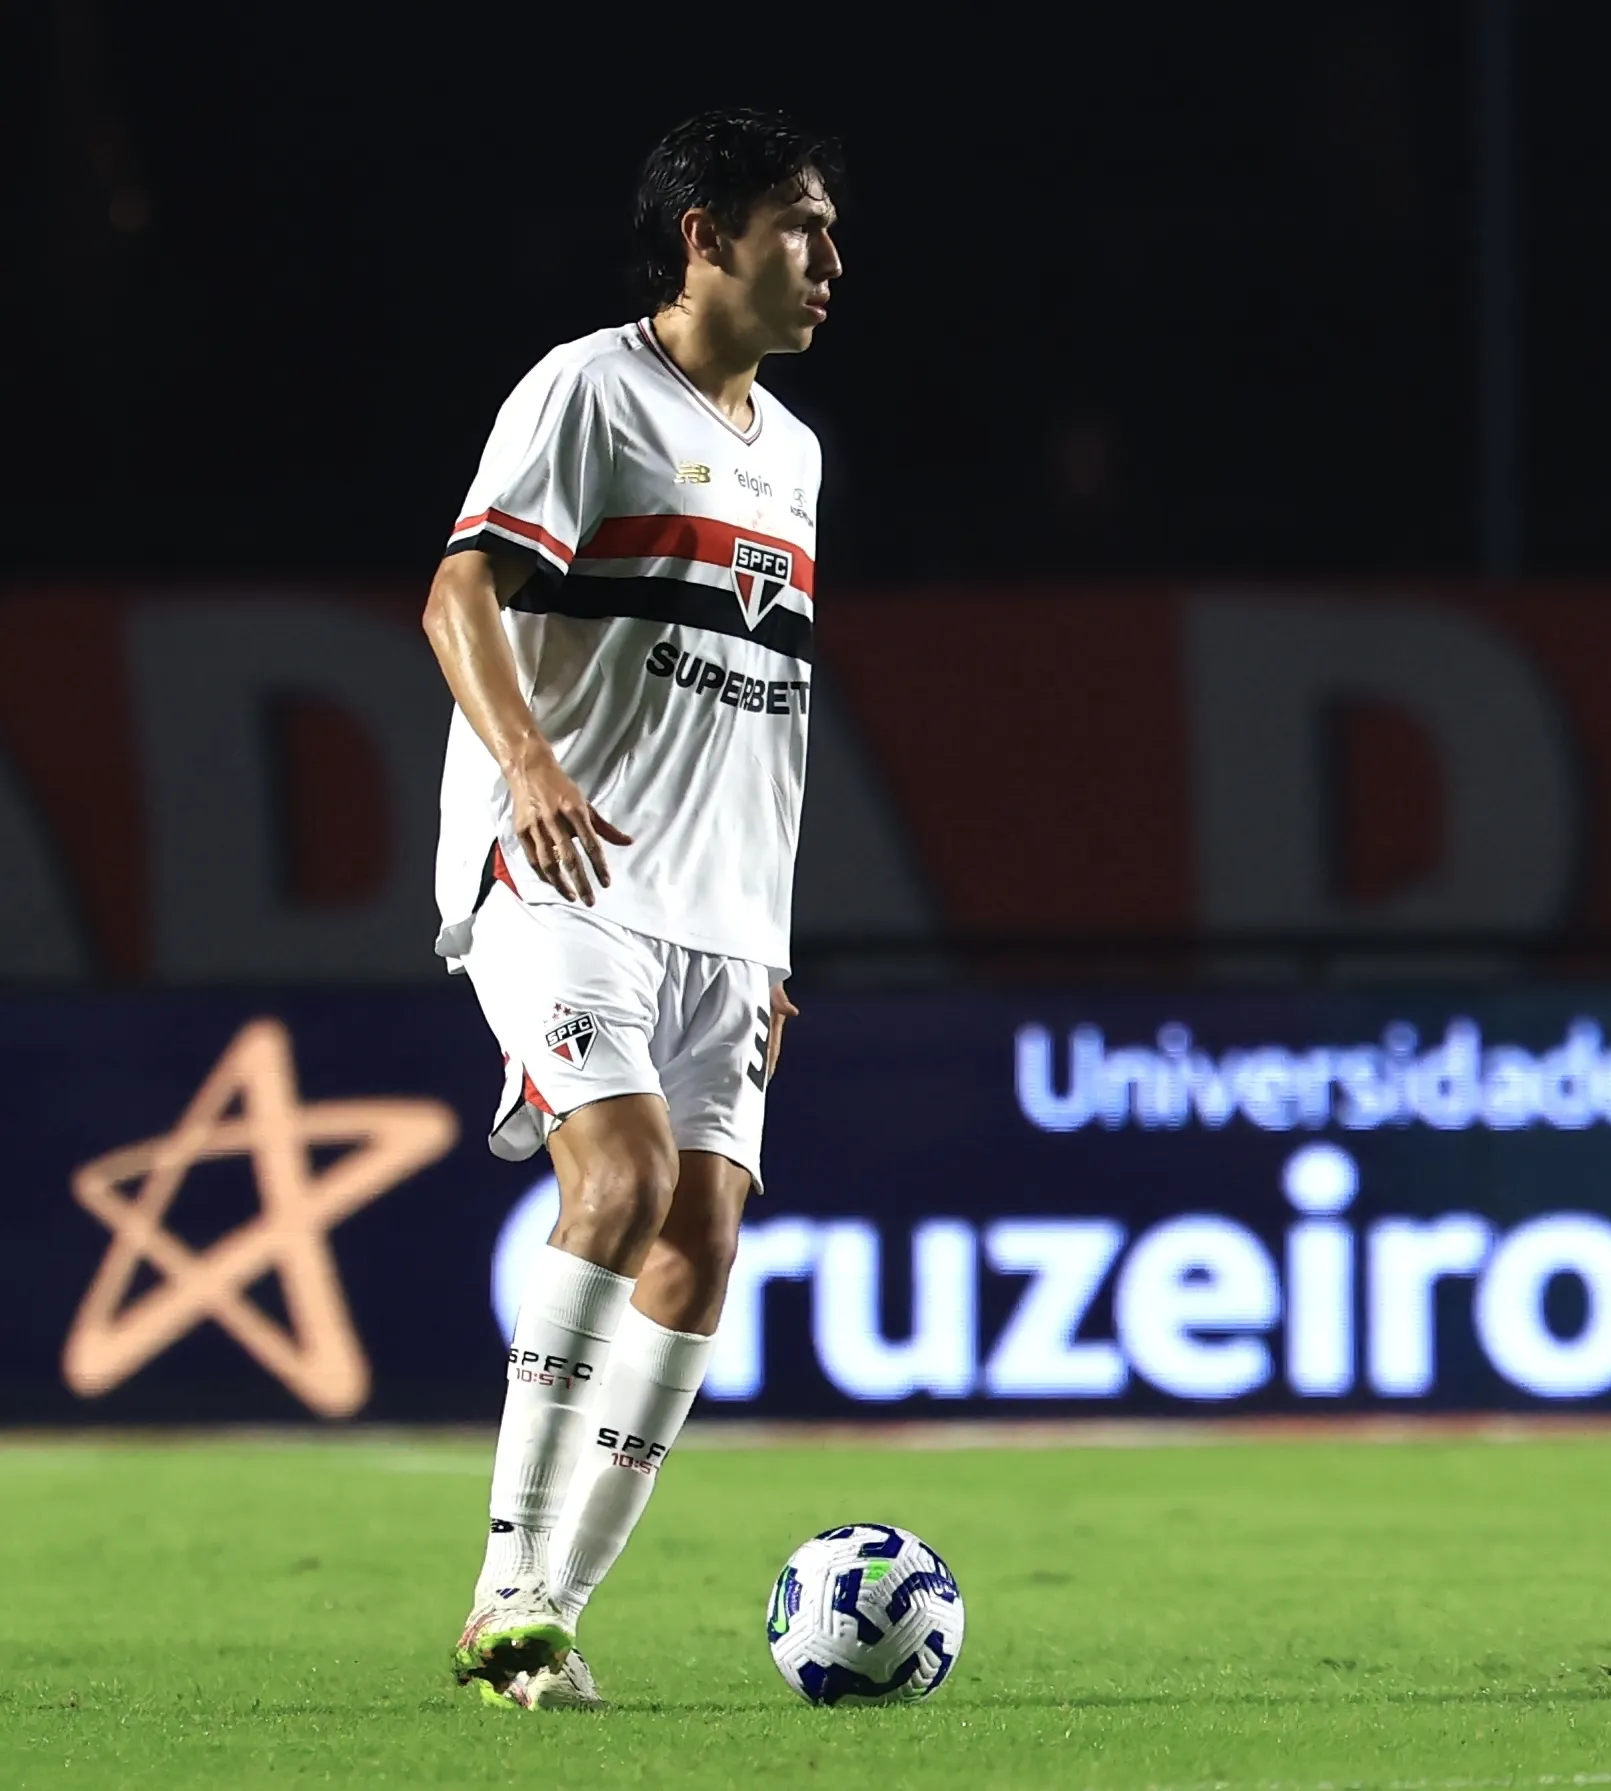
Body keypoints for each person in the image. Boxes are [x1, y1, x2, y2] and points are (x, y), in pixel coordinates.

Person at [420, 107, 842, 1711]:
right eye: (799, 226)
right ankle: (505, 1576)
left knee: (706, 1235)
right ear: (707, 234)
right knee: (622, 1171)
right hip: (570, 863)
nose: (828, 262)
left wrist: (769, 939)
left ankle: (547, 1620)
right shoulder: (589, 389)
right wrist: (523, 763)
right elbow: (460, 589)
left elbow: (765, 704)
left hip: (725, 911)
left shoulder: (791, 452)